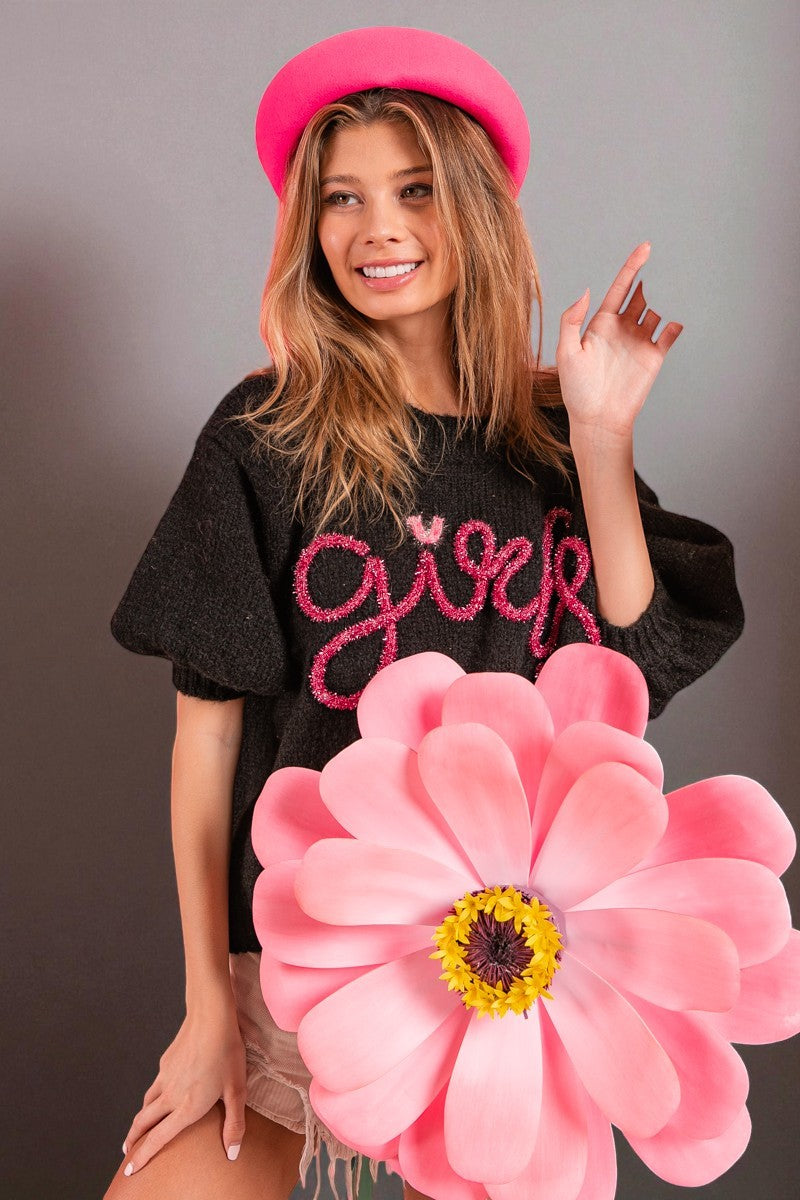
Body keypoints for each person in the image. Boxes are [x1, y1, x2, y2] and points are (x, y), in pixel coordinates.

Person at [102, 25, 745, 1200]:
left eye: (412, 190)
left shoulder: (548, 444)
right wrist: (209, 1009)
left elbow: (638, 662)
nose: (375, 229)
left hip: (520, 1008)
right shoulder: (266, 438)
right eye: (339, 200)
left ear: (476, 208)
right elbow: (206, 744)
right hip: (301, 979)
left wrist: (599, 440)